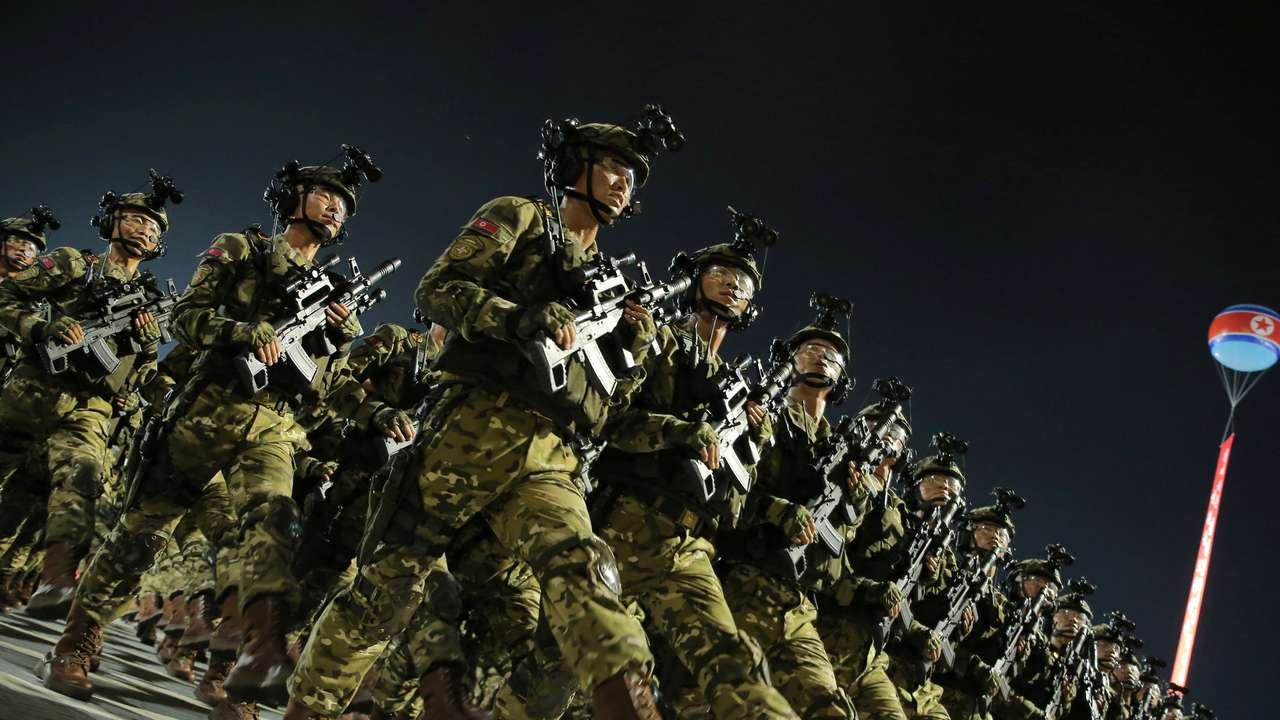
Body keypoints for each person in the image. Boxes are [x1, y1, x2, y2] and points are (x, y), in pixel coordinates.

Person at [286, 109, 681, 720]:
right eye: (612, 166)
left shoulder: (610, 285)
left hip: (552, 453)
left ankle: (624, 687)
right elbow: (438, 289)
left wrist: (629, 351)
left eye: (633, 175)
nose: (624, 182)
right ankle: (310, 707)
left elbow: (607, 410)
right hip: (468, 430)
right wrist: (516, 317)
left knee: (586, 564)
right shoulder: (522, 218)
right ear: (575, 166)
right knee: (387, 589)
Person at [39, 152, 405, 713]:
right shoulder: (241, 250)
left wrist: (339, 347)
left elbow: (323, 386)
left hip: (274, 428)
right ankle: (76, 643)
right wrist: (242, 330)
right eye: (324, 194)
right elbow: (188, 316)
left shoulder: (332, 296)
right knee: (142, 535)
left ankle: (239, 673)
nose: (334, 207)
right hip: (208, 412)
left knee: (272, 531)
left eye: (343, 204)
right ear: (293, 198)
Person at [0, 180, 173, 620]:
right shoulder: (74, 264)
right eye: (134, 218)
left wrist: (148, 346)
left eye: (152, 227)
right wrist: (41, 329)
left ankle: (56, 578)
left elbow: (141, 375)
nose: (142, 230)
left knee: (83, 475)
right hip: (32, 392)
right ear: (111, 223)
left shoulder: (149, 303)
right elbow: (7, 295)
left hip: (89, 407)